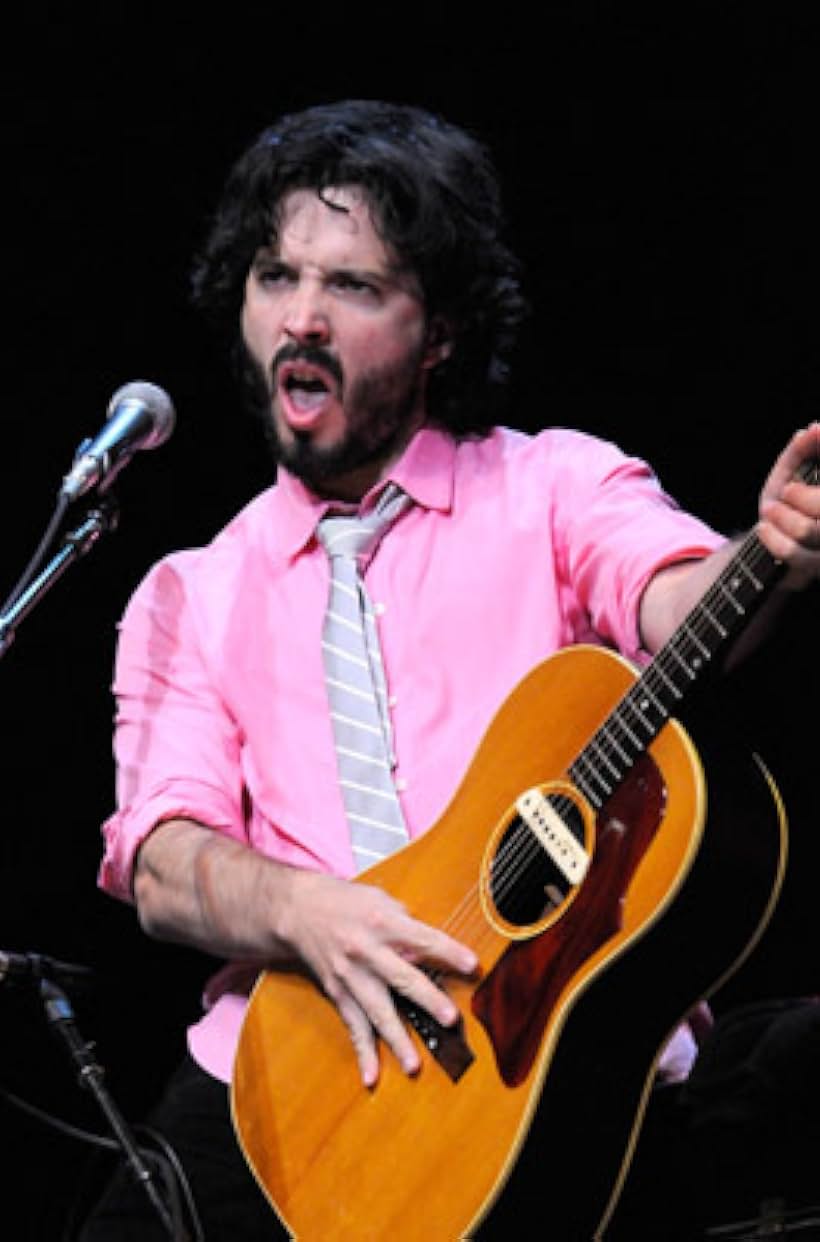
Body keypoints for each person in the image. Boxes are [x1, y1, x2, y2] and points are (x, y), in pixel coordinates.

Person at [79, 99, 820, 1239]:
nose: (303, 319)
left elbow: (679, 605)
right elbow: (164, 861)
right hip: (285, 1079)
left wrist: (765, 552)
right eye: (276, 277)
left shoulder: (556, 488)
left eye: (355, 287)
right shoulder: (193, 590)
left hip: (554, 1058)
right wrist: (310, 913)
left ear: (438, 332)